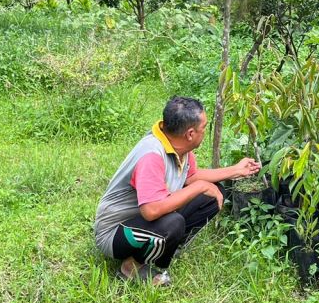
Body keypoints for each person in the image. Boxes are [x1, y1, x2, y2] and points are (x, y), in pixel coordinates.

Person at [94, 96, 260, 286]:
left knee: (210, 195)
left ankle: (165, 248)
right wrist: (200, 186)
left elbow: (191, 177)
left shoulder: (178, 147)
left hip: (142, 220)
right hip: (115, 231)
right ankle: (131, 267)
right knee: (172, 223)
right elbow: (151, 211)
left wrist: (234, 170)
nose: (205, 132)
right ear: (190, 134)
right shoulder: (152, 156)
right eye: (204, 128)